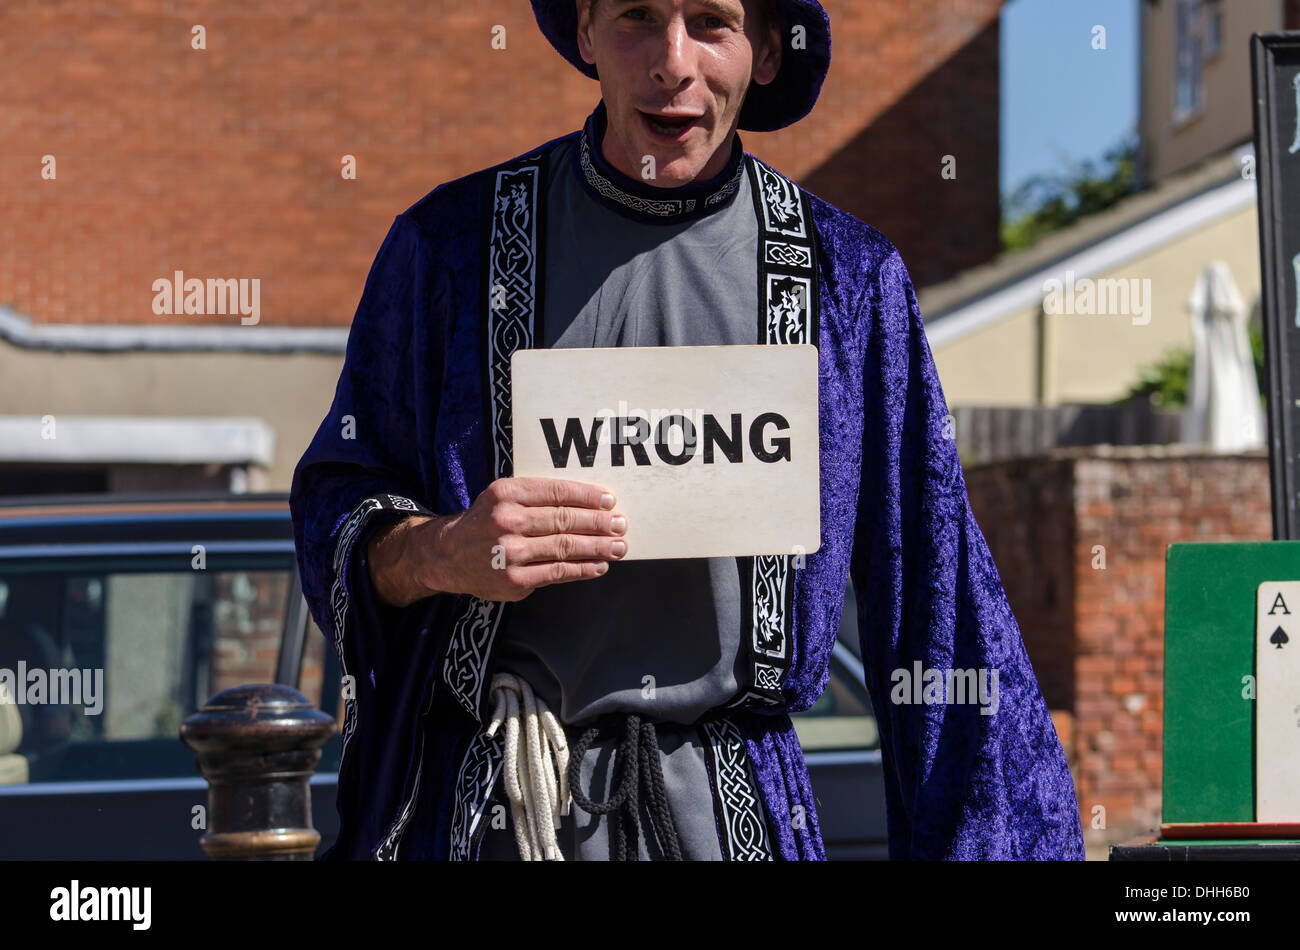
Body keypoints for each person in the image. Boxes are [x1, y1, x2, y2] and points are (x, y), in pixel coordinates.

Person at [289, 0, 1086, 861]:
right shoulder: (447, 249)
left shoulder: (848, 284)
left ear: (769, 49)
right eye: (638, 16)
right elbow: (336, 503)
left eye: (712, 20)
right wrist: (442, 549)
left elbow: (939, 605)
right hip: (497, 814)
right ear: (586, 33)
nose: (673, 61)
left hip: (736, 823)